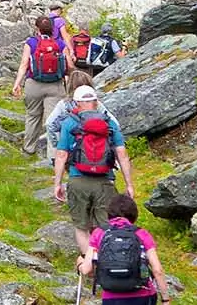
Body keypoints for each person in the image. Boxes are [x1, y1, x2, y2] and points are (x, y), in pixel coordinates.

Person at [53, 85, 137, 259]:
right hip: (105, 181)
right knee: (105, 225)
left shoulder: (70, 123)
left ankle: (89, 263)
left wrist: (58, 183)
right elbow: (122, 153)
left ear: (77, 103)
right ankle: (107, 261)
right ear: (96, 102)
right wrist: (129, 184)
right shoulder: (109, 124)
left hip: (78, 179)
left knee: (81, 226)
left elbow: (61, 155)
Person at [12, 16, 70, 156]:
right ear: (53, 28)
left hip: (34, 84)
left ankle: (29, 148)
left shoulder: (31, 43)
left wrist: (17, 83)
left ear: (36, 28)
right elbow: (69, 66)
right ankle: (53, 154)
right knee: (54, 120)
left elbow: (24, 64)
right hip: (55, 85)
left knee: (33, 116)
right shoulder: (60, 44)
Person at [45, 72, 114, 163]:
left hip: (69, 147)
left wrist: (57, 144)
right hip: (94, 147)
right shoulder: (96, 104)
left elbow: (49, 124)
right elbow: (114, 123)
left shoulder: (64, 104)